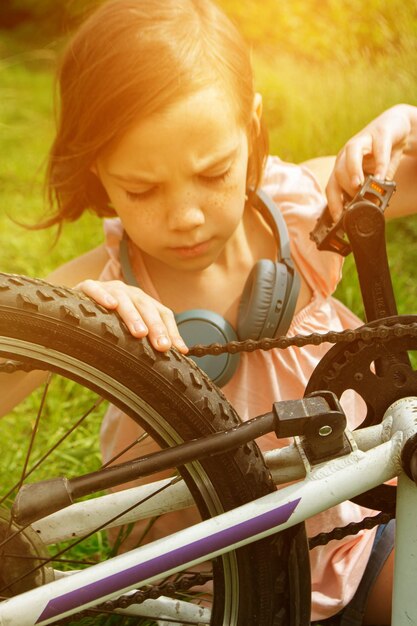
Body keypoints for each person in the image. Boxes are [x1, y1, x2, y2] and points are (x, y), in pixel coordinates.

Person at [1, 0, 417, 621]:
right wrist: (79, 322)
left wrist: (405, 127)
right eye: (142, 189)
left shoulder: (307, 215)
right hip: (203, 590)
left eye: (214, 172)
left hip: (354, 540)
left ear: (251, 129)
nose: (186, 216)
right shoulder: (102, 283)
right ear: (99, 171)